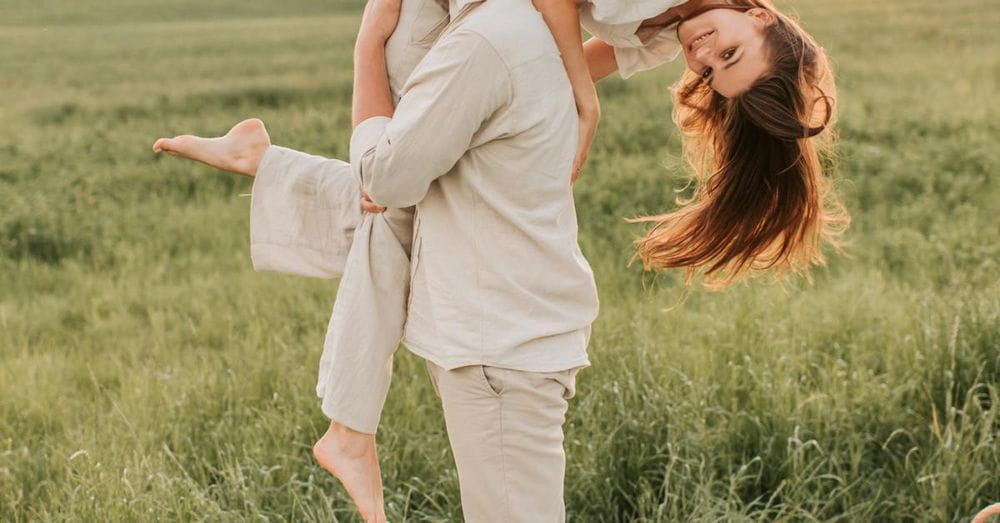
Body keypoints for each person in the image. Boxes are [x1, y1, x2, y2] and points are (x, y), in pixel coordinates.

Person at [153, 0, 849, 520]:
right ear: (758, 13)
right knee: (403, 189)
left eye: (715, 68)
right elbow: (390, 177)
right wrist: (374, 48)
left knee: (419, 192)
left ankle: (348, 425)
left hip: (509, 345)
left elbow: (553, 68)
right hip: (509, 346)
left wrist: (567, 92)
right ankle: (348, 429)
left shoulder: (589, 40)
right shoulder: (509, 38)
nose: (706, 57)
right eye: (725, 52)